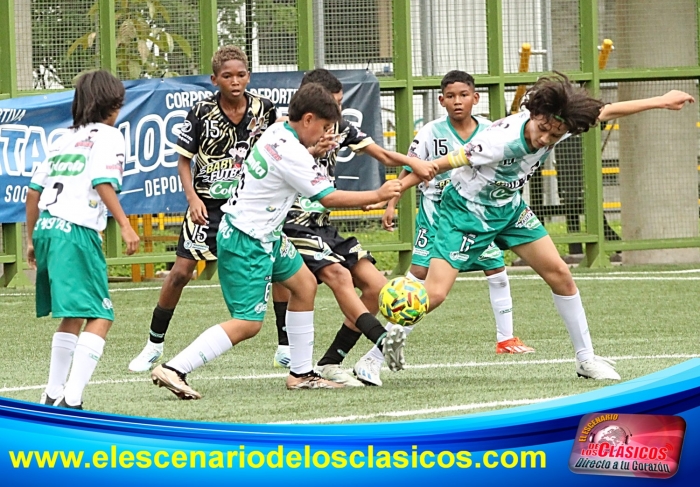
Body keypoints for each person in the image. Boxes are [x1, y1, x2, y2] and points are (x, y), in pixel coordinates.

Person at [402, 73, 694, 380]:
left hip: (509, 210)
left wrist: (661, 101)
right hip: (465, 214)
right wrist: (395, 190)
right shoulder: (498, 140)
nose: (545, 139)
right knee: (434, 294)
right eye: (542, 130)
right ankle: (377, 350)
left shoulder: (560, 122)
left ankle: (586, 359)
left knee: (561, 275)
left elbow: (605, 110)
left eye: (553, 136)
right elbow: (437, 165)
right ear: (535, 114)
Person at [150, 83, 404, 398]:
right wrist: (378, 193)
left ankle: (301, 374)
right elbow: (328, 197)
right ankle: (175, 368)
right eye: (324, 127)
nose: (326, 134)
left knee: (304, 285)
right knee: (247, 323)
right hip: (248, 241)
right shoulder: (291, 151)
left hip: (267, 235)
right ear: (308, 119)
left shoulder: (278, 130)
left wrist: (313, 150)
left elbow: (287, 166)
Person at [354, 70, 535, 385]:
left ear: (475, 98)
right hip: (437, 216)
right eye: (450, 96)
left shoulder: (491, 130)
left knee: (496, 268)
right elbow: (412, 169)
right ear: (441, 100)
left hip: (478, 216)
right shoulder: (430, 133)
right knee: (418, 283)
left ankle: (506, 338)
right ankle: (382, 347)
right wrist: (392, 202)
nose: (457, 101)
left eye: (464, 95)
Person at [269, 69, 438, 387]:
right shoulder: (283, 133)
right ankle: (378, 338)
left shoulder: (340, 127)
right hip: (290, 224)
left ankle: (331, 361)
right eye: (329, 108)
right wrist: (310, 153)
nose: (334, 116)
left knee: (375, 286)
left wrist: (414, 163)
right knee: (338, 276)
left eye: (339, 106)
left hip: (321, 225)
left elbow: (384, 155)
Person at [128, 46, 278, 372]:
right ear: (214, 80)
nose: (235, 81)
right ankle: (154, 344)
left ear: (248, 76)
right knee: (180, 272)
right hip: (206, 207)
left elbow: (278, 152)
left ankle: (286, 346)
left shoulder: (264, 110)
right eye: (227, 76)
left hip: (250, 208)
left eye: (241, 75)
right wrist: (193, 198)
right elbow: (184, 160)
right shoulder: (200, 111)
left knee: (279, 266)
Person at [26, 70, 140, 409]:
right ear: (115, 103)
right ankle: (71, 400)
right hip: (75, 231)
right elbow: (103, 181)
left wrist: (32, 240)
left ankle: (51, 393)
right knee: (101, 314)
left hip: (48, 227)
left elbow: (33, 193)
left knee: (73, 316)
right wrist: (124, 224)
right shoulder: (109, 137)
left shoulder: (64, 137)